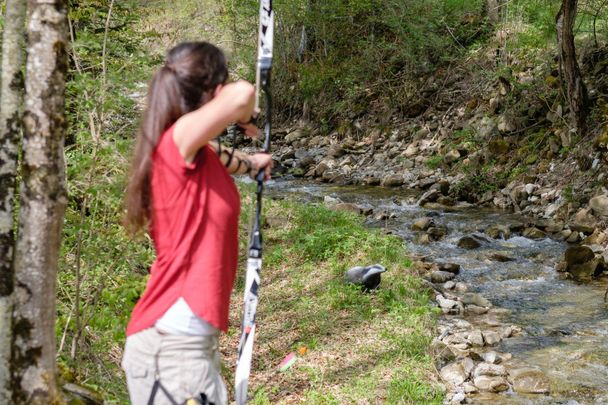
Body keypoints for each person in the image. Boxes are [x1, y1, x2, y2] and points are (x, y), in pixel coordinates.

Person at [121, 41, 272, 405]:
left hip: (187, 345)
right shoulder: (177, 139)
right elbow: (243, 94)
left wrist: (253, 164)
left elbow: (229, 158)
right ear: (212, 90)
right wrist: (244, 115)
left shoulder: (197, 149)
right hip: (172, 345)